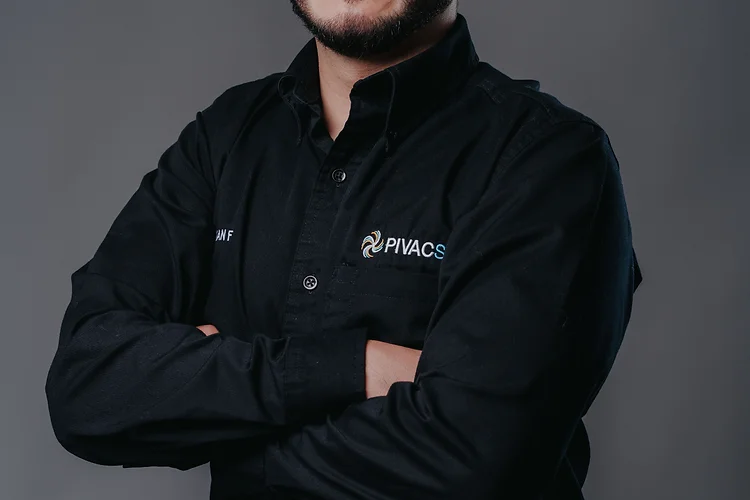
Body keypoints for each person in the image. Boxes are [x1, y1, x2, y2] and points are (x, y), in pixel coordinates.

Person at [45, 1, 643, 498]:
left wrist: (220, 413)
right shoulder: (225, 136)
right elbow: (86, 389)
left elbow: (477, 462)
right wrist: (357, 368)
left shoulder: (548, 159)